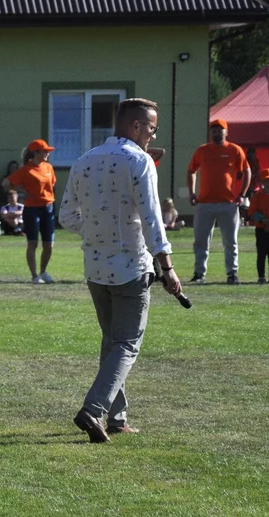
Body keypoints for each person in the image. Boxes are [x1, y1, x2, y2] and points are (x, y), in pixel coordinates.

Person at [59, 97, 182, 444]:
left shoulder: (84, 160)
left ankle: (116, 417)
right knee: (127, 345)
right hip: (131, 266)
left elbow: (67, 217)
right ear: (136, 126)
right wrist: (168, 267)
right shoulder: (140, 161)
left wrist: (98, 229)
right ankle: (94, 408)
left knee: (112, 343)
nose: (152, 137)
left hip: (95, 267)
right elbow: (152, 218)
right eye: (151, 129)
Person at [187, 118, 251, 284]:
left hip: (228, 203)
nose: (217, 133)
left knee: (230, 241)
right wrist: (192, 193)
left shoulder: (235, 150)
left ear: (226, 132)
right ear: (211, 133)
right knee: (201, 240)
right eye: (214, 130)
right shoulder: (202, 151)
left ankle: (232, 274)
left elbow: (247, 171)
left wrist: (242, 194)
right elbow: (191, 170)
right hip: (204, 203)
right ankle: (199, 274)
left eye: (220, 130)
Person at [4, 139, 58, 284]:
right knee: (33, 243)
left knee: (49, 244)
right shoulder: (26, 170)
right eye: (44, 151)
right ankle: (34, 276)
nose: (47, 153)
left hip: (48, 208)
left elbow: (52, 185)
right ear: (36, 152)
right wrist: (22, 191)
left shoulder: (48, 168)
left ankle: (43, 272)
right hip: (32, 209)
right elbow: (6, 184)